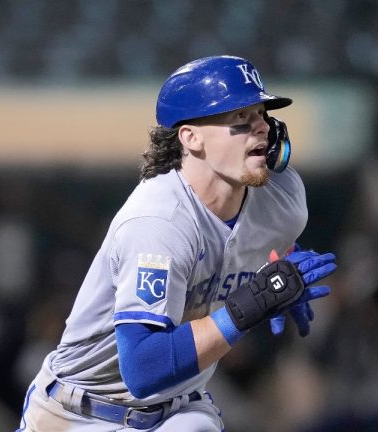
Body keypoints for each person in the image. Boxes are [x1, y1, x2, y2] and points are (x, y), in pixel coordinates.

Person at [17, 55, 338, 431]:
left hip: (178, 410)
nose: (261, 128)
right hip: (81, 412)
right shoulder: (159, 221)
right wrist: (253, 303)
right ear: (191, 137)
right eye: (239, 118)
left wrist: (281, 279)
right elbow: (144, 368)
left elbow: (259, 253)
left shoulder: (283, 201)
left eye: (262, 114)